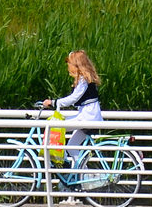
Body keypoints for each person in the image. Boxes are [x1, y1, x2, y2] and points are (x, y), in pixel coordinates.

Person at [38, 50, 104, 179]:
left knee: (56, 126)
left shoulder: (83, 80)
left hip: (88, 117)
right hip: (88, 115)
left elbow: (73, 98)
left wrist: (53, 102)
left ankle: (62, 163)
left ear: (76, 64)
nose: (68, 66)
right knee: (71, 147)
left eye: (69, 63)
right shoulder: (86, 79)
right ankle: (84, 175)